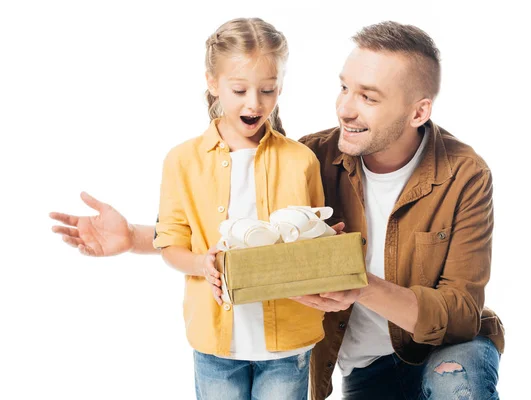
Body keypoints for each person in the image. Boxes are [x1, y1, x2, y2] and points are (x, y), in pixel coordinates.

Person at [51, 21, 504, 400]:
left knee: (456, 381)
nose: (344, 107)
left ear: (418, 112)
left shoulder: (464, 174)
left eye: (368, 96)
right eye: (344, 87)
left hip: (442, 352)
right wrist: (132, 236)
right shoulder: (315, 156)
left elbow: (461, 314)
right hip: (363, 368)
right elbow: (245, 233)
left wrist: (356, 285)